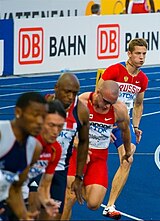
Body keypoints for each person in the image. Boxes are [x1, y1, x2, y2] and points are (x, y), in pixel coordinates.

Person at [62, 80, 131, 220]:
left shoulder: (119, 109)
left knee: (94, 204)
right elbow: (64, 123)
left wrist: (128, 151)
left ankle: (80, 184)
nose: (107, 106)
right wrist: (76, 142)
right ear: (98, 93)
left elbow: (125, 131)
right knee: (70, 197)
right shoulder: (82, 101)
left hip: (99, 157)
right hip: (78, 154)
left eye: (111, 103)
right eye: (105, 101)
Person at [99, 38, 149, 220]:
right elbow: (98, 94)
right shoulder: (114, 70)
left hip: (123, 124)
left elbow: (138, 104)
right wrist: (104, 121)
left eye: (144, 54)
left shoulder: (142, 79)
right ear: (129, 54)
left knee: (128, 160)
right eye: (138, 53)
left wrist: (136, 126)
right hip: (103, 121)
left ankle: (110, 205)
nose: (141, 57)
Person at [41, 73, 90, 220]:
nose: (71, 96)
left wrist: (79, 177)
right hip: (37, 168)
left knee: (56, 215)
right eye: (67, 92)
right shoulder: (41, 106)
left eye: (75, 93)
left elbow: (83, 142)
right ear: (56, 88)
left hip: (60, 170)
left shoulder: (81, 111)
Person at [0, 92, 47, 220]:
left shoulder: (35, 148)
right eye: (35, 115)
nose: (39, 121)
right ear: (18, 112)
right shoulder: (1, 133)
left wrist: (24, 216)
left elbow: (15, 189)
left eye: (43, 117)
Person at [25, 100, 66, 219]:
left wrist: (47, 201)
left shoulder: (55, 149)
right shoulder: (25, 140)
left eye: (60, 126)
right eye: (51, 125)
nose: (55, 132)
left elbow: (44, 186)